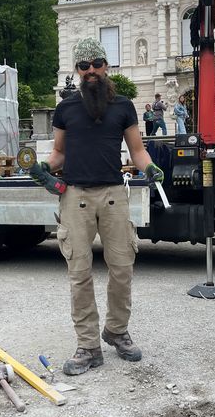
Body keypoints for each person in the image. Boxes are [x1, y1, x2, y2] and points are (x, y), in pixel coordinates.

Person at [34, 38, 164, 375]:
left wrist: (150, 167)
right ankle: (88, 346)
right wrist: (45, 166)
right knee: (79, 274)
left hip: (113, 195)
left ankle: (117, 331)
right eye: (83, 66)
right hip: (74, 196)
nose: (90, 71)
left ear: (106, 66)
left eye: (96, 64)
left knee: (122, 268)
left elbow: (137, 150)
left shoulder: (123, 105)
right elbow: (59, 153)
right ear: (77, 70)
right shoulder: (66, 109)